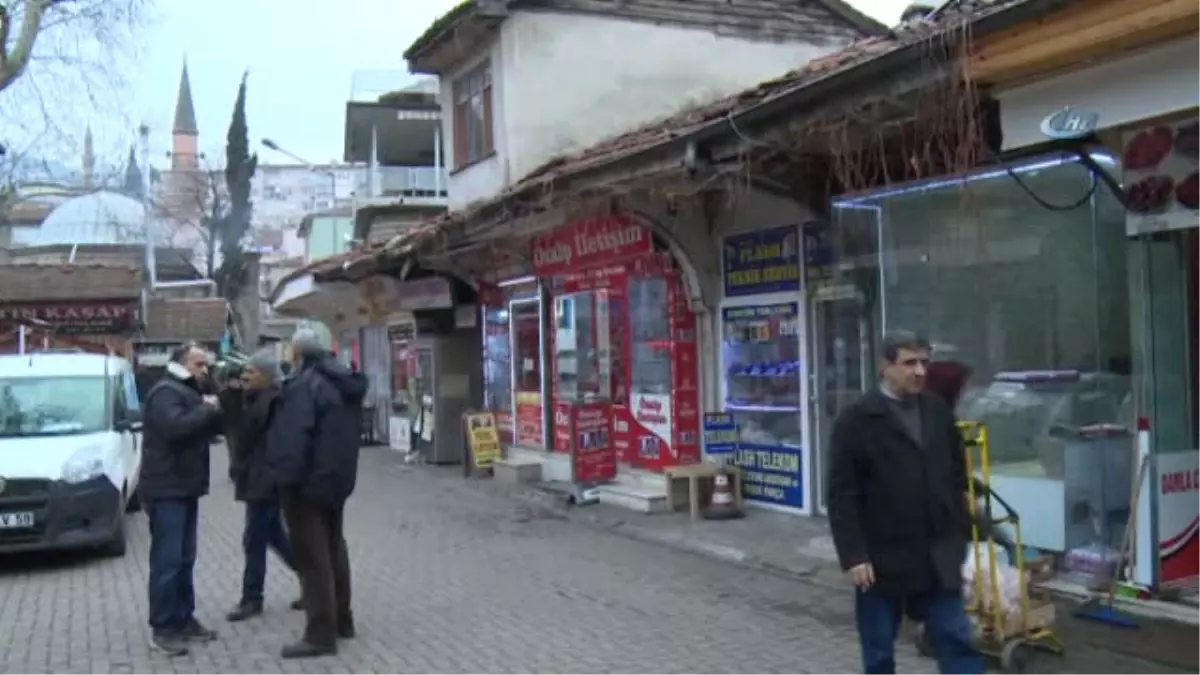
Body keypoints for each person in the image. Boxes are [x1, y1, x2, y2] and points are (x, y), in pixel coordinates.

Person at [826, 331, 984, 675]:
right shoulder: (857, 420)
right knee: (879, 652)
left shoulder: (937, 411)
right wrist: (854, 555)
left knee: (957, 639)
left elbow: (956, 473)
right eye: (909, 363)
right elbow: (842, 494)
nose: (920, 372)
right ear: (885, 366)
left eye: (924, 362)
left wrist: (960, 531)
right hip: (881, 559)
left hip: (937, 556)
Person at [266, 329, 367, 658]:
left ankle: (320, 634)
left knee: (313, 559)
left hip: (306, 485)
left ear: (299, 354)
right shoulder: (343, 379)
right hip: (336, 481)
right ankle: (342, 620)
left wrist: (284, 480)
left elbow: (293, 440)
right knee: (334, 549)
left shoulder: (305, 386)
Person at [139, 343, 223, 657]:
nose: (205, 370)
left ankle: (184, 618)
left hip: (184, 488)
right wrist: (206, 408)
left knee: (185, 558)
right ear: (181, 364)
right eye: (200, 364)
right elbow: (176, 428)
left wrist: (213, 400)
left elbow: (213, 427)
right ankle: (162, 628)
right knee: (167, 560)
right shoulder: (165, 393)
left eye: (206, 365)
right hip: (165, 490)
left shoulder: (187, 390)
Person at [226, 350, 303, 621]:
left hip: (265, 480)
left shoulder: (273, 401)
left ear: (267, 376)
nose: (246, 375)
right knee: (275, 537)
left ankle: (251, 598)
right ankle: (312, 578)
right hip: (256, 478)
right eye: (245, 371)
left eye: (252, 371)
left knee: (254, 540)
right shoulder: (255, 397)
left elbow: (256, 436)